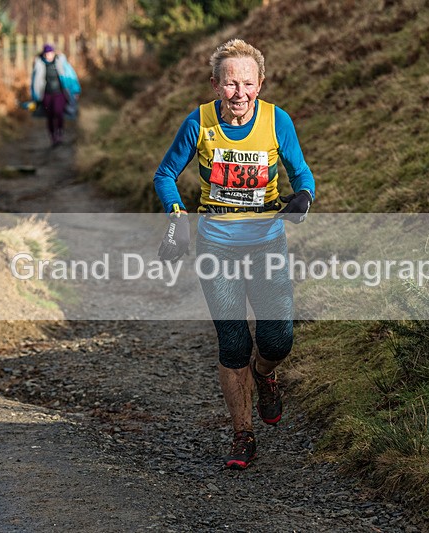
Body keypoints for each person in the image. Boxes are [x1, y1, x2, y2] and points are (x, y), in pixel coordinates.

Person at [153, 39, 316, 469]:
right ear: (215, 85)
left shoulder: (277, 121)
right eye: (230, 83)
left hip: (266, 244)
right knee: (233, 342)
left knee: (278, 340)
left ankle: (265, 374)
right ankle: (243, 435)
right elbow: (165, 174)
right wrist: (176, 218)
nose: (239, 93)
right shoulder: (200, 122)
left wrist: (303, 196)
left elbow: (301, 172)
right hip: (217, 246)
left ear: (259, 84)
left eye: (247, 83)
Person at [31, 44, 81, 146]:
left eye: (50, 53)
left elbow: (71, 77)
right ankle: (52, 136)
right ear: (44, 54)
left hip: (60, 93)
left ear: (54, 53)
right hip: (46, 94)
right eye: (47, 54)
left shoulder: (61, 63)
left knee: (58, 113)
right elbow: (34, 82)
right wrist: (35, 96)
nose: (49, 56)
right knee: (50, 115)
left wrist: (75, 90)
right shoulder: (39, 65)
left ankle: (59, 133)